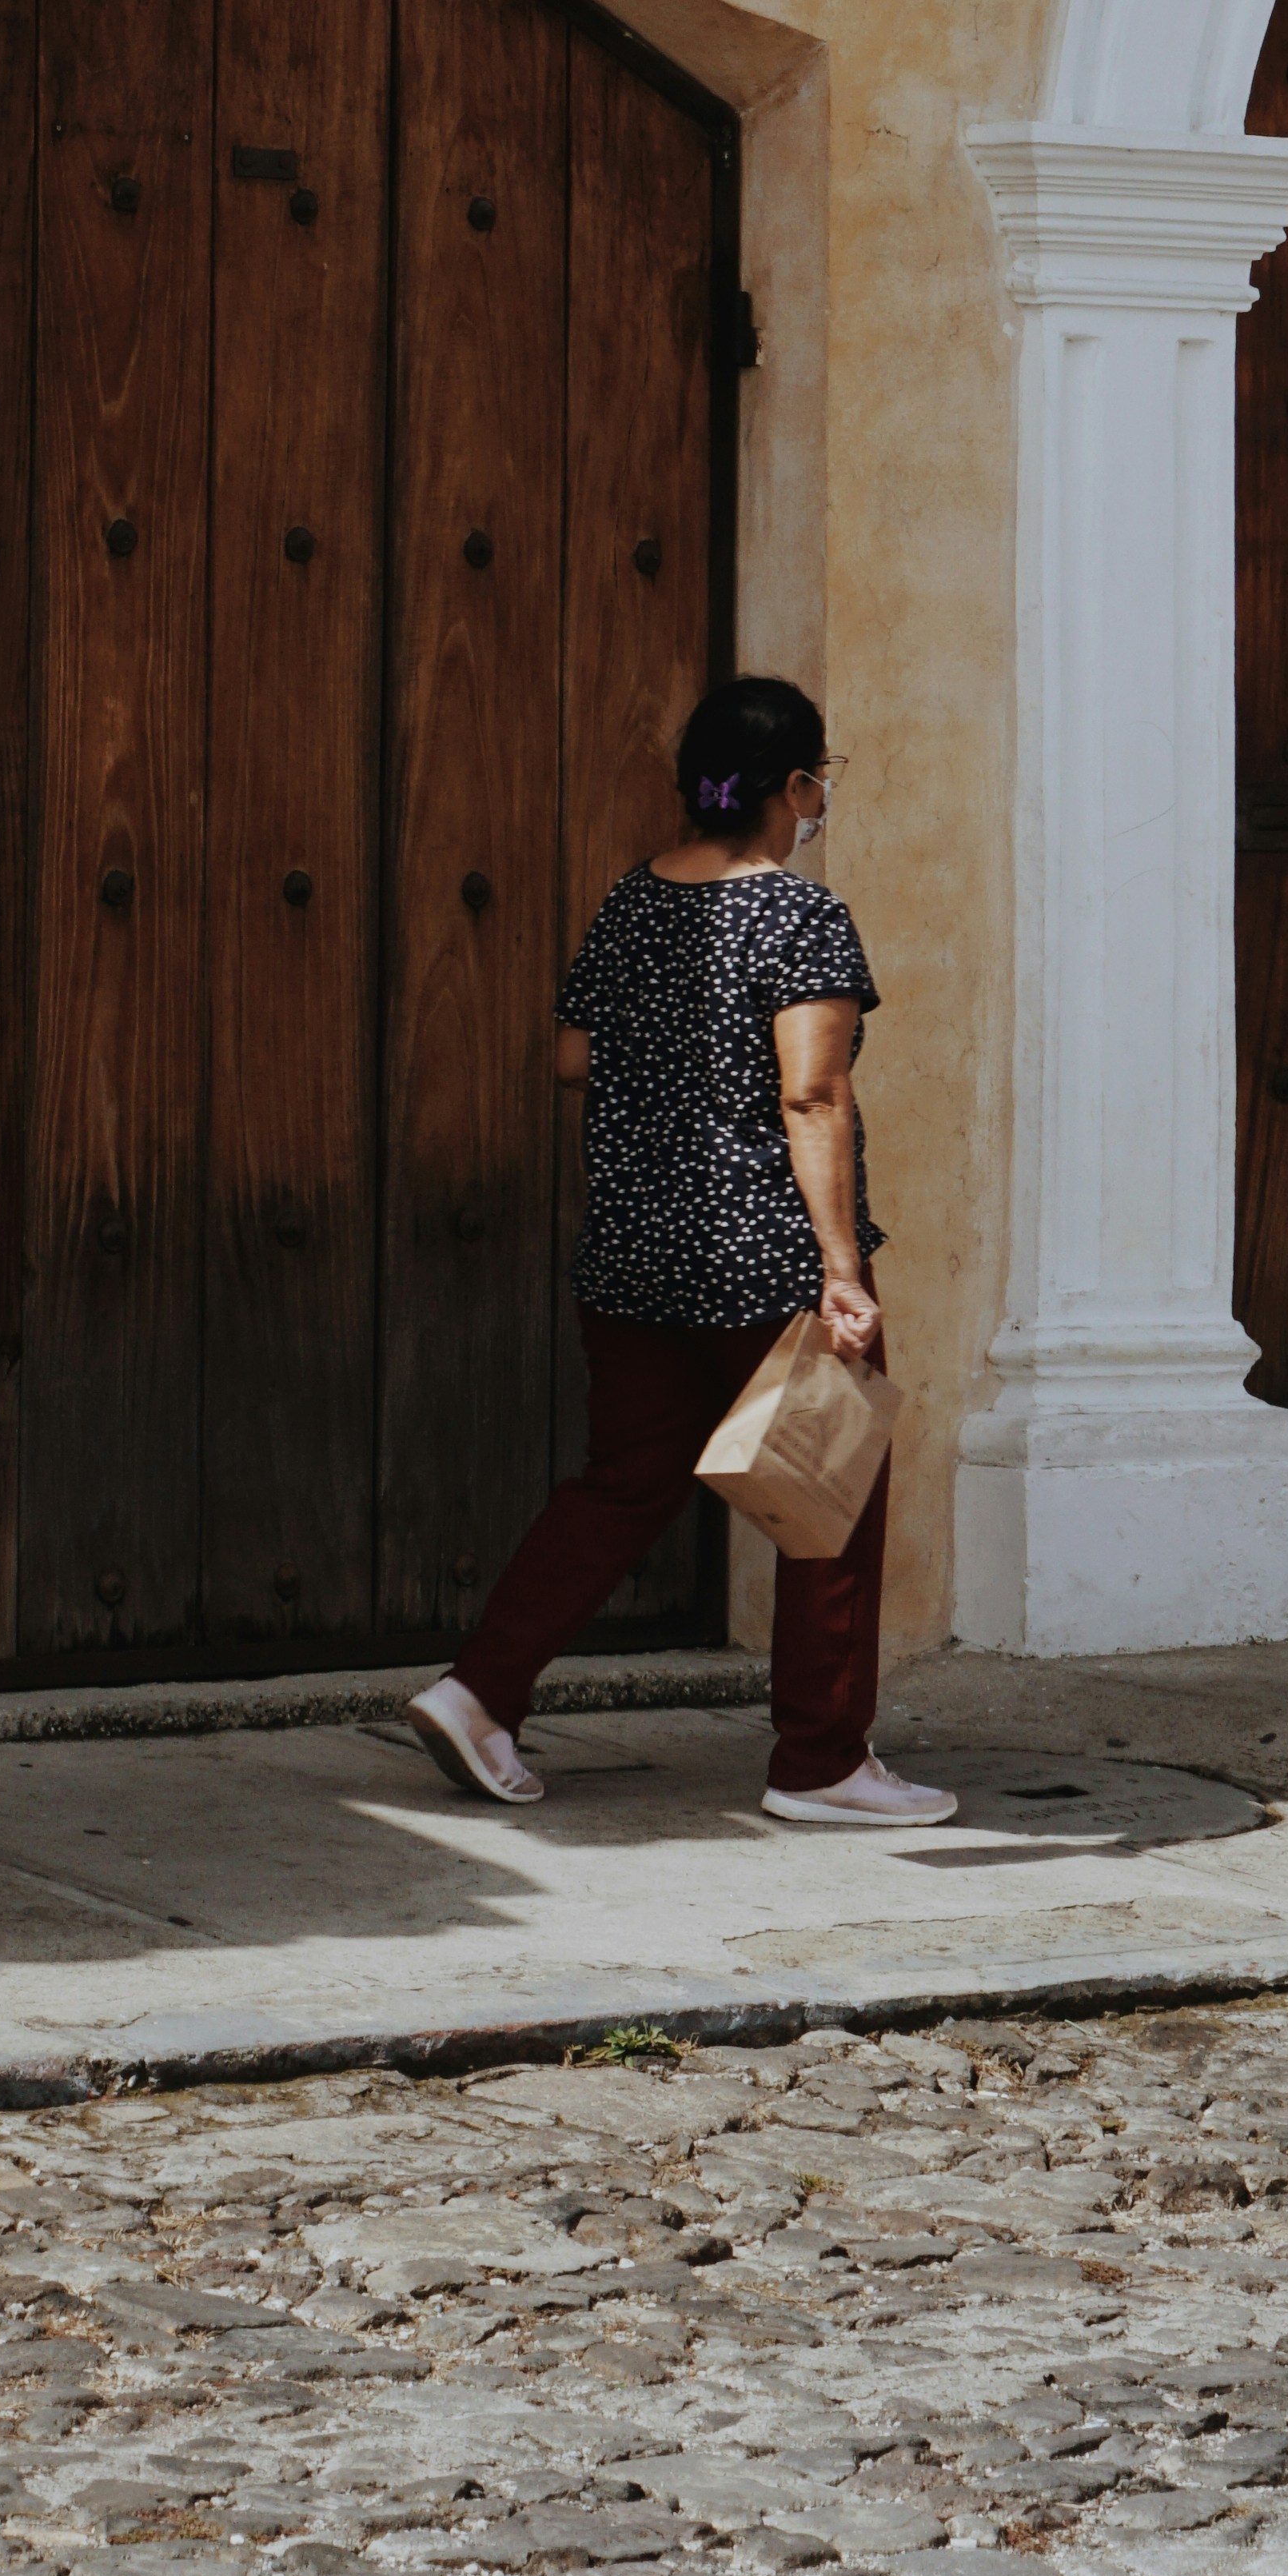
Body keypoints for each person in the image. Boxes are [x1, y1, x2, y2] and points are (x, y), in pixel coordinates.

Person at [406, 674, 956, 1828]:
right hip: (764, 1255)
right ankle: (819, 1765)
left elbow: (573, 1060)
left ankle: (481, 1692)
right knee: (831, 1494)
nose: (820, 804)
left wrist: (679, 1077)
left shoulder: (631, 899)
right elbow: (814, 1094)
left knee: (626, 1481)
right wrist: (845, 1271)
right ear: (796, 785)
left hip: (636, 1251)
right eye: (821, 781)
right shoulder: (800, 914)